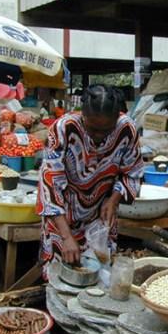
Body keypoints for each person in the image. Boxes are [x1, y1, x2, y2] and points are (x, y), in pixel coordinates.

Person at [37, 85, 143, 267]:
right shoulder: (64, 129)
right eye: (93, 130)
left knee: (101, 270)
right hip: (62, 216)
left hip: (100, 217)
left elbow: (132, 173)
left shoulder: (126, 129)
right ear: (83, 115)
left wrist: (113, 200)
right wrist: (66, 237)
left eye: (106, 130)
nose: (99, 136)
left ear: (117, 117)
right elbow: (50, 185)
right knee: (61, 272)